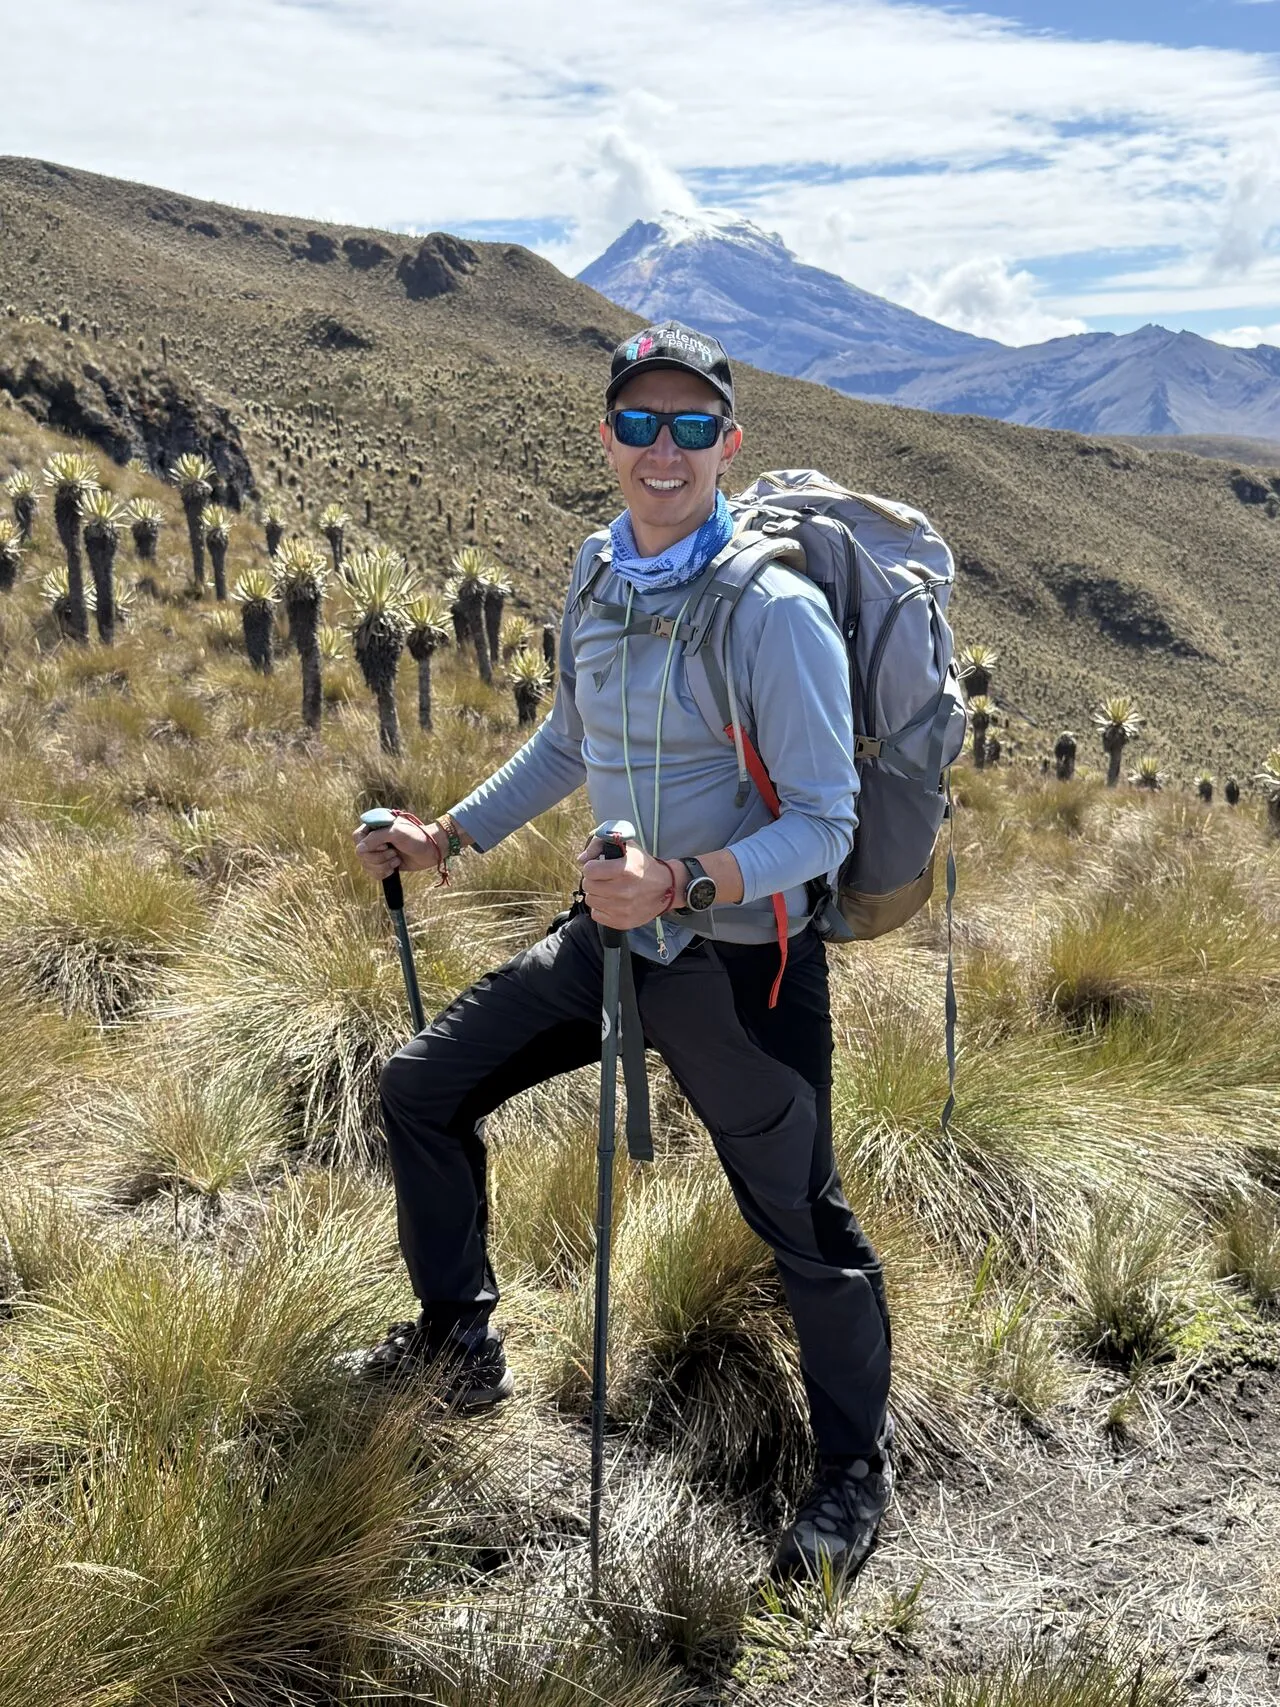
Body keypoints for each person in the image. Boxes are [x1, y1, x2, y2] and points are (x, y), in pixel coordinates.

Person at [350, 320, 894, 1582]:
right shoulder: (597, 571)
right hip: (609, 943)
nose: (664, 448)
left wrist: (684, 879)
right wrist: (449, 838)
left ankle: (850, 1470)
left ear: (727, 444)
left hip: (738, 966)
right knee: (421, 1087)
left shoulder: (773, 613)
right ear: (605, 438)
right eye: (639, 423)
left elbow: (825, 822)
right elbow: (565, 740)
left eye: (691, 425)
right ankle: (454, 1344)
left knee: (802, 1225)